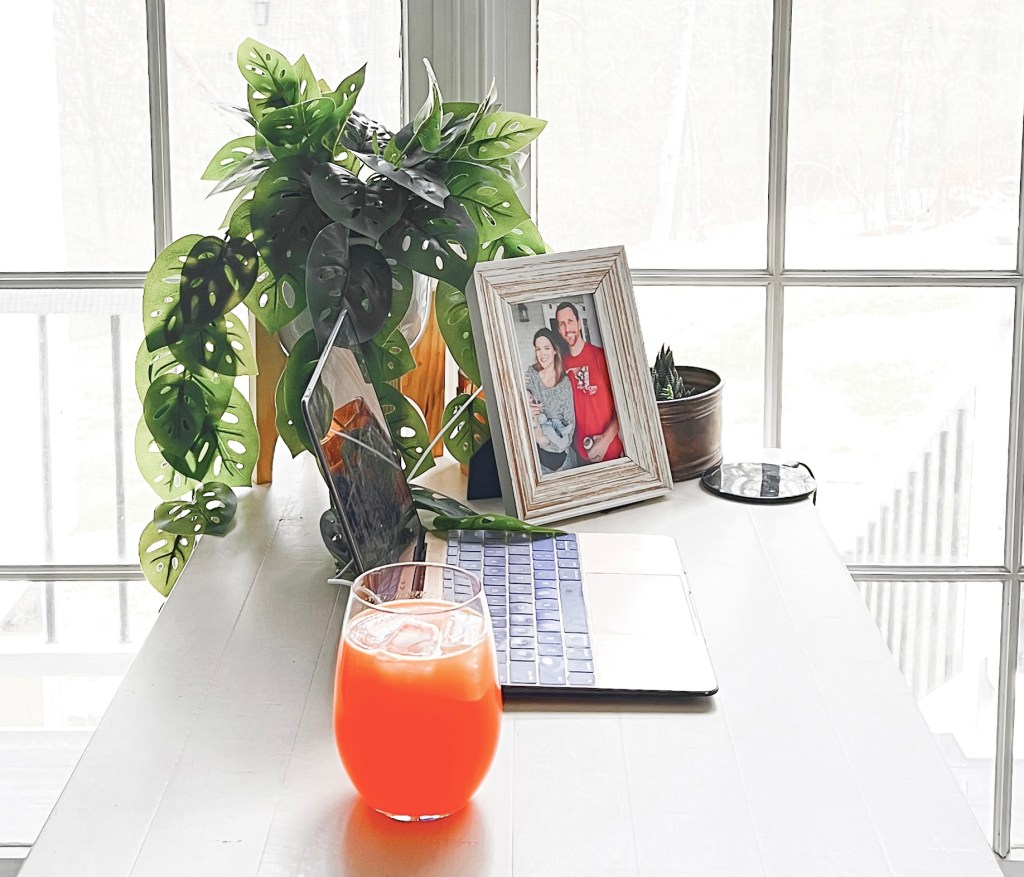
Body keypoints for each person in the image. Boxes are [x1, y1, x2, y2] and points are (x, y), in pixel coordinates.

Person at [555, 301, 623, 463]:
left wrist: (605, 441)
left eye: (570, 321)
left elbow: (624, 405)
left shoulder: (601, 356)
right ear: (559, 330)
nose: (567, 328)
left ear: (579, 323)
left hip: (611, 451)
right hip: (581, 454)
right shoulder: (561, 365)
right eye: (562, 324)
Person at [524, 327, 576, 473]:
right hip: (538, 462)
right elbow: (521, 411)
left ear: (554, 350)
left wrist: (546, 443)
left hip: (562, 460)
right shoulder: (531, 375)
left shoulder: (564, 382)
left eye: (546, 348)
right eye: (538, 349)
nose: (542, 354)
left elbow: (570, 423)